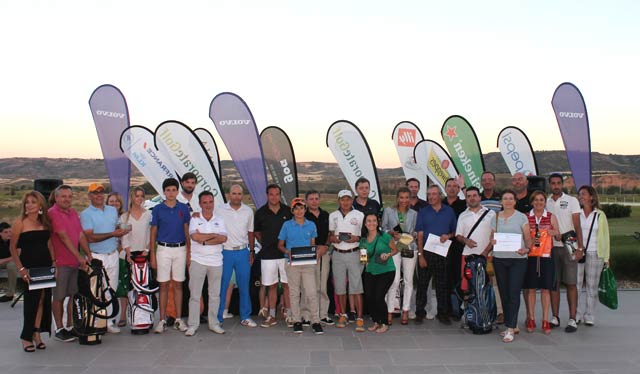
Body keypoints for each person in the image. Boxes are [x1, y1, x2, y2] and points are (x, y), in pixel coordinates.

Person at [80, 183, 129, 334]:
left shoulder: (112, 210)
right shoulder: (86, 214)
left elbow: (116, 229)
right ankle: (96, 321)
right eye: (95, 193)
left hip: (112, 254)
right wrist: (112, 234)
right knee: (96, 291)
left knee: (111, 289)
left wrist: (121, 232)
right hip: (96, 256)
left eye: (101, 192)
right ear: (89, 196)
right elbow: (90, 238)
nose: (99, 195)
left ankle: (108, 322)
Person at [10, 191, 55, 352]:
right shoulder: (20, 223)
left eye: (33, 202)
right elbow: (13, 248)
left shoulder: (45, 223)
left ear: (40, 205)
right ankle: (26, 337)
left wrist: (54, 264)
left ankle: (36, 333)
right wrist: (21, 269)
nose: (29, 205)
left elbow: (49, 244)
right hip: (29, 267)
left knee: (43, 299)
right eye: (27, 202)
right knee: (31, 302)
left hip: (45, 265)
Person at [48, 185, 92, 342]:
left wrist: (88, 253)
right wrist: (79, 256)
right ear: (56, 197)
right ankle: (59, 328)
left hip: (74, 263)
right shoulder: (52, 213)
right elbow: (63, 236)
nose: (67, 199)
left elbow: (80, 234)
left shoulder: (73, 212)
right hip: (61, 262)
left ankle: (70, 325)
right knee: (58, 296)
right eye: (63, 196)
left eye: (69, 196)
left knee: (73, 295)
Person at [277, 197, 326, 334]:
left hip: (308, 264)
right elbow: (280, 245)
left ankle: (315, 321)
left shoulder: (311, 225)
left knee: (311, 292)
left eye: (302, 208)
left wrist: (315, 253)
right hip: (292, 263)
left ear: (305, 209)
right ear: (292, 210)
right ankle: (296, 320)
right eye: (296, 208)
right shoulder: (287, 225)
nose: (299, 211)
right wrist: (288, 252)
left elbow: (312, 244)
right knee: (294, 293)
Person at [150, 178, 191, 333]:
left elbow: (187, 232)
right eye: (168, 190)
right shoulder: (158, 209)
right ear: (164, 192)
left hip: (180, 249)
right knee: (164, 285)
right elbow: (153, 233)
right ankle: (162, 320)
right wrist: (152, 255)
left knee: (179, 284)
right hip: (163, 250)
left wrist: (189, 253)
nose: (171, 193)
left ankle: (179, 319)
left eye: (174, 190)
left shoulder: (184, 208)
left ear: (177, 191)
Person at [491, 190, 533, 343]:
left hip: (517, 259)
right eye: (505, 198)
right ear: (501, 202)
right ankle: (512, 324)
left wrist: (527, 249)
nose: (508, 201)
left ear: (515, 201)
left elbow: (528, 239)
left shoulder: (521, 217)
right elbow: (492, 237)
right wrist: (493, 241)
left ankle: (510, 328)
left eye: (511, 198)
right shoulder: (495, 217)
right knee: (504, 293)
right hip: (499, 259)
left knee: (514, 292)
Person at [185, 191, 227, 336]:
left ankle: (214, 323)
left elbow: (223, 239)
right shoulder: (195, 219)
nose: (208, 205)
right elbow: (195, 236)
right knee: (195, 295)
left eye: (210, 202)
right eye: (205, 202)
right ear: (200, 204)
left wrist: (204, 239)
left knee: (215, 295)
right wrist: (212, 235)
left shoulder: (219, 219)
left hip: (216, 262)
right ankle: (192, 325)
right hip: (198, 261)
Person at [546, 173, 583, 332]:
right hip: (550, 247)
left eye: (558, 183)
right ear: (550, 185)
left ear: (562, 184)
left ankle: (573, 318)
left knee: (571, 283)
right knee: (554, 284)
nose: (556, 186)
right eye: (553, 183)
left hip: (569, 245)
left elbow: (577, 226)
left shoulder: (572, 201)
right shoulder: (545, 201)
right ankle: (555, 317)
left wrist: (580, 248)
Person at [217, 184, 258, 328]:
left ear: (243, 195)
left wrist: (251, 251)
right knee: (223, 285)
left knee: (244, 285)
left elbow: (251, 232)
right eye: (233, 193)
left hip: (242, 252)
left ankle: (245, 316)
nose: (236, 196)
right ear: (229, 195)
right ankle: (219, 317)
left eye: (239, 194)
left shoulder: (248, 211)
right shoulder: (220, 209)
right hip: (225, 251)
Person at [415, 185, 457, 325]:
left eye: (434, 194)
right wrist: (420, 255)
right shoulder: (423, 211)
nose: (431, 197)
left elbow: (454, 232)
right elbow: (419, 235)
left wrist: (448, 235)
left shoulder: (449, 211)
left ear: (440, 195)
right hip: (426, 252)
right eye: (429, 194)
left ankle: (442, 313)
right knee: (422, 284)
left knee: (442, 285)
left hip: (443, 252)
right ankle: (419, 313)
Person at [254, 184, 292, 328]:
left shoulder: (288, 211)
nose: (274, 197)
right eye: (271, 194)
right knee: (271, 286)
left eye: (277, 194)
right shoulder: (260, 212)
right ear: (267, 195)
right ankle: (271, 315)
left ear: (280, 195)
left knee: (287, 285)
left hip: (285, 255)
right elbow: (257, 232)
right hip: (268, 255)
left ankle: (289, 314)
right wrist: (266, 242)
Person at [523, 191, 560, 335]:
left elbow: (558, 234)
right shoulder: (526, 217)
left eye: (541, 200)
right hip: (530, 257)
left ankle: (545, 319)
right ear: (532, 202)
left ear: (545, 202)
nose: (538, 203)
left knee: (546, 289)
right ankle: (531, 318)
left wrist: (553, 232)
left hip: (546, 256)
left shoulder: (551, 217)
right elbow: (522, 235)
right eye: (536, 200)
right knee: (531, 289)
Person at [328, 190, 365, 331]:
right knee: (340, 287)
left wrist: (357, 238)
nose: (345, 202)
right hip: (337, 254)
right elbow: (330, 236)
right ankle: (343, 314)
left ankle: (360, 317)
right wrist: (333, 239)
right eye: (342, 199)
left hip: (354, 253)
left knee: (356, 287)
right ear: (338, 201)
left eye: (348, 199)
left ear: (352, 200)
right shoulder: (333, 216)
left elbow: (365, 236)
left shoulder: (359, 215)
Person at [381, 187, 417, 325]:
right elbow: (382, 229)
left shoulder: (414, 214)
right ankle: (389, 310)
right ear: (397, 198)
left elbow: (416, 231)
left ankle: (406, 310)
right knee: (394, 280)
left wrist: (410, 235)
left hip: (409, 248)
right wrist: (391, 233)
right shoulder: (389, 211)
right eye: (401, 197)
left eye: (407, 197)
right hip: (394, 248)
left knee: (408, 281)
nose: (404, 200)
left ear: (410, 198)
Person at [118, 187, 152, 327]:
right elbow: (124, 237)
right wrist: (128, 253)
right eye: (136, 196)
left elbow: (151, 234)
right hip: (129, 255)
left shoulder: (148, 215)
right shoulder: (124, 216)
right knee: (127, 287)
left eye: (141, 196)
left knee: (143, 286)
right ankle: (124, 315)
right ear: (132, 197)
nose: (139, 198)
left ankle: (144, 315)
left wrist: (147, 250)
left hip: (143, 254)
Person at [576, 185, 610, 326]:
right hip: (578, 253)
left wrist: (607, 258)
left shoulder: (600, 215)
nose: (581, 196)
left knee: (592, 286)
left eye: (583, 194)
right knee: (576, 286)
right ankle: (576, 314)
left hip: (595, 253)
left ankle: (589, 315)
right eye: (579, 194)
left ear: (591, 196)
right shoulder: (576, 214)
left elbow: (606, 237)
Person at [361, 212, 397, 333]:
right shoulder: (363, 240)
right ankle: (376, 321)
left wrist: (388, 254)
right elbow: (363, 260)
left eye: (374, 220)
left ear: (377, 223)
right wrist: (364, 259)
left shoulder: (385, 236)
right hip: (371, 271)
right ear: (365, 224)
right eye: (369, 221)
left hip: (387, 271)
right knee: (370, 297)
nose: (372, 223)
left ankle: (385, 323)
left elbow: (395, 250)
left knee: (379, 297)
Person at [455, 187, 495, 291]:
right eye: (469, 196)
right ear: (466, 199)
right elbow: (458, 235)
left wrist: (486, 252)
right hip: (468, 256)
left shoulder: (491, 214)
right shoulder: (462, 215)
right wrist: (466, 241)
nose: (472, 198)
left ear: (479, 197)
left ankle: (486, 307)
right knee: (467, 287)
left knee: (487, 286)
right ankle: (470, 307)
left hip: (487, 255)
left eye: (474, 195)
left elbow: (494, 235)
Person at [304, 190, 333, 325]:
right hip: (308, 253)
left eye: (316, 198)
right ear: (306, 201)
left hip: (324, 252)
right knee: (307, 285)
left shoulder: (326, 215)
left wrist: (326, 246)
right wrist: (313, 248)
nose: (314, 201)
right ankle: (306, 314)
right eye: (311, 199)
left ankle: (323, 314)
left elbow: (330, 233)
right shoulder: (303, 215)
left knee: (322, 285)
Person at [406, 178, 432, 320]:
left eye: (416, 186)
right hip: (406, 248)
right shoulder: (402, 206)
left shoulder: (425, 206)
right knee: (409, 279)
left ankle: (426, 307)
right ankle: (409, 307)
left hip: (422, 246)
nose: (413, 189)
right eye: (411, 186)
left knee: (424, 279)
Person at [479, 171, 504, 323]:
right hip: (480, 246)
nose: (487, 182)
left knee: (495, 280)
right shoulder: (477, 199)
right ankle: (484, 309)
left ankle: (500, 311)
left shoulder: (501, 199)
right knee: (481, 280)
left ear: (494, 182)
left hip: (496, 246)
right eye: (485, 180)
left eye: (490, 179)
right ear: (481, 183)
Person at [107, 192, 129, 328]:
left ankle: (122, 315)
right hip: (107, 254)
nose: (114, 203)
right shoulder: (105, 216)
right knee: (108, 286)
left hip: (120, 254)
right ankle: (110, 315)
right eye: (111, 201)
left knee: (122, 285)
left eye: (117, 201)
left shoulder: (124, 217)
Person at [0, 222, 17, 303]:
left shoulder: (15, 239)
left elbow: (17, 255)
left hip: (11, 262)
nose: (9, 234)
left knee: (11, 265)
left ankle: (10, 294)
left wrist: (5, 260)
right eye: (6, 232)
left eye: (10, 231)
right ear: (0, 233)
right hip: (2, 262)